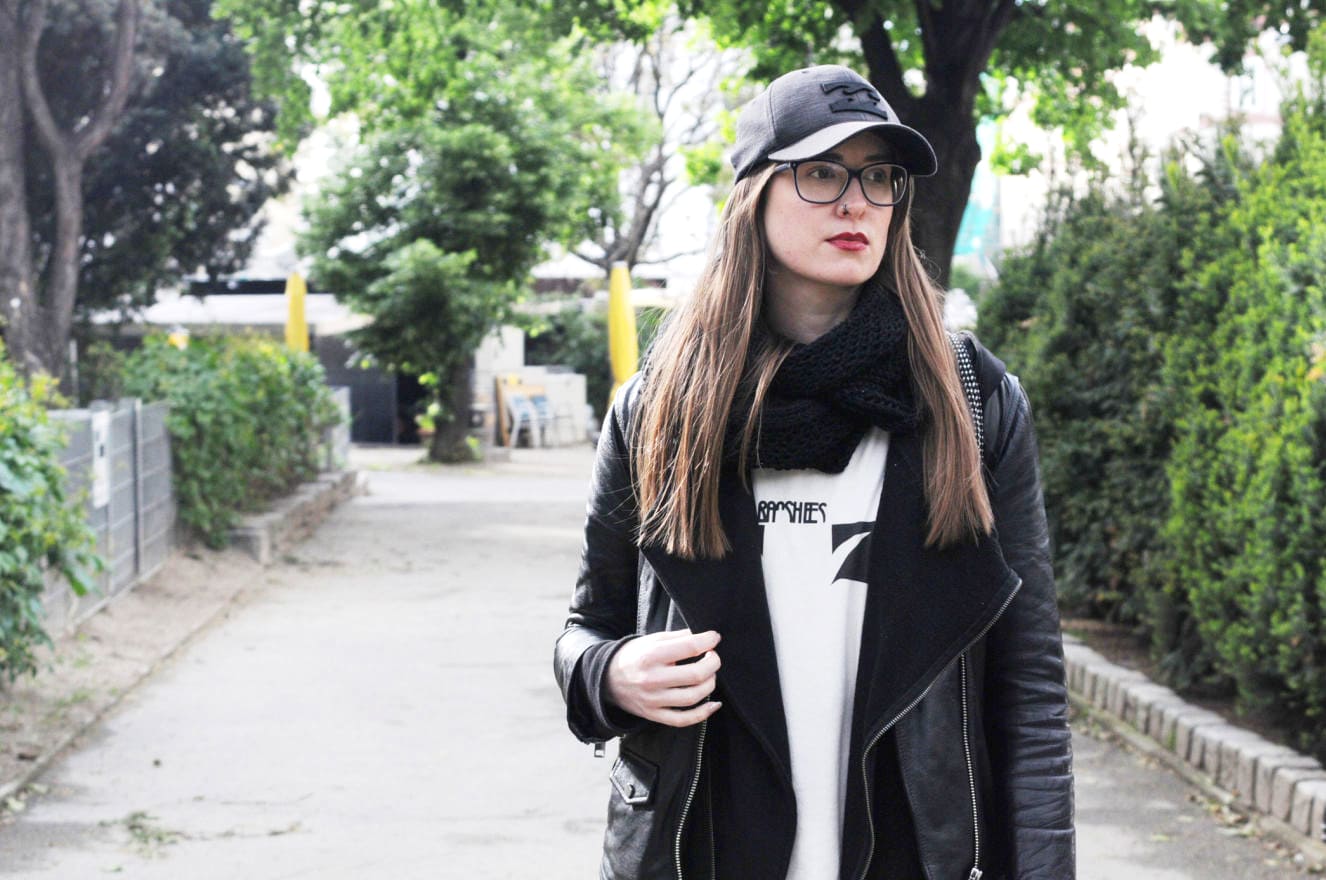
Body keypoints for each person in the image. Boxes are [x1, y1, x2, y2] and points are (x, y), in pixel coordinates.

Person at [554, 64, 1075, 880]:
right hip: (708, 852)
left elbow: (1032, 691)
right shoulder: (660, 411)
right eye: (822, 171)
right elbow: (587, 629)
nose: (857, 201)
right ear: (753, 194)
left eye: (881, 177)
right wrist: (608, 675)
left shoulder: (972, 406)